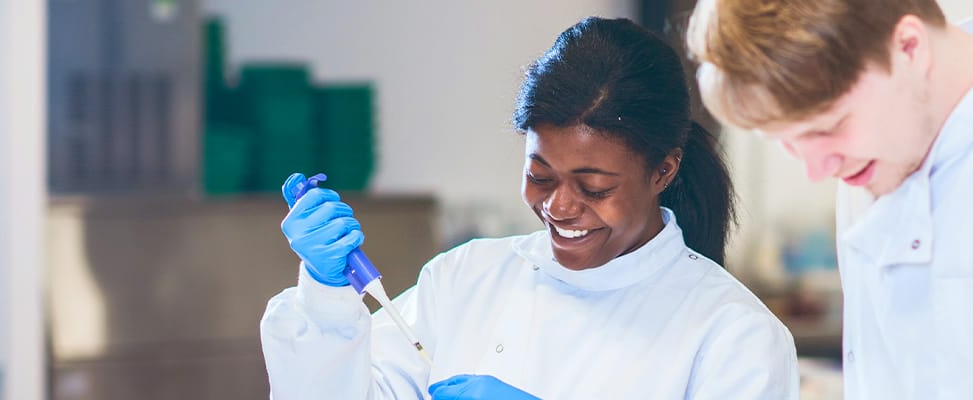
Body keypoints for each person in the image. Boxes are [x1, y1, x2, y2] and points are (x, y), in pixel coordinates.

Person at [260, 17, 798, 400]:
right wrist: (325, 298)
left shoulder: (732, 333)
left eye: (594, 187)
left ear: (663, 171)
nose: (559, 206)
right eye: (540, 176)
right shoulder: (467, 279)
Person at [688, 0, 973, 398]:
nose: (817, 170)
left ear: (909, 48)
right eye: (787, 141)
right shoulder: (870, 157)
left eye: (829, 127)